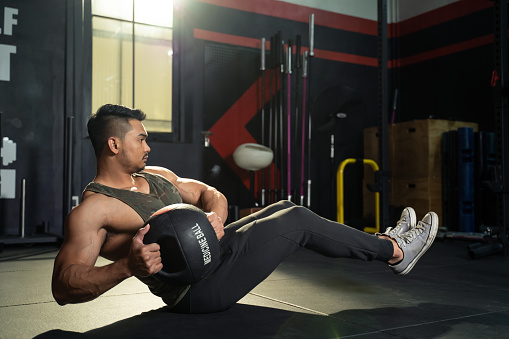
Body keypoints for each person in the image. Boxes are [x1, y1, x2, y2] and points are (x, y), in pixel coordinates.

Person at [52, 104, 439, 314]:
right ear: (114, 145)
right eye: (141, 139)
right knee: (297, 220)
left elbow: (209, 193)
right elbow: (63, 287)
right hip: (195, 291)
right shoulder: (95, 210)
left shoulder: (157, 174)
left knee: (286, 206)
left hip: (215, 255)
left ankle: (392, 246)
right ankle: (396, 251)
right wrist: (126, 267)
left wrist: (215, 220)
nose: (148, 146)